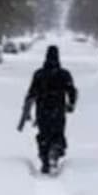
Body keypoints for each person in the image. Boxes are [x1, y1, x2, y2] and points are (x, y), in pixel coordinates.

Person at [18, 45, 78, 174]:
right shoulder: (64, 74)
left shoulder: (39, 74)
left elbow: (31, 93)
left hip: (42, 110)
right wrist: (71, 104)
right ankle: (55, 152)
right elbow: (72, 91)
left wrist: (27, 110)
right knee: (57, 133)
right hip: (58, 110)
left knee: (44, 135)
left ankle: (45, 160)